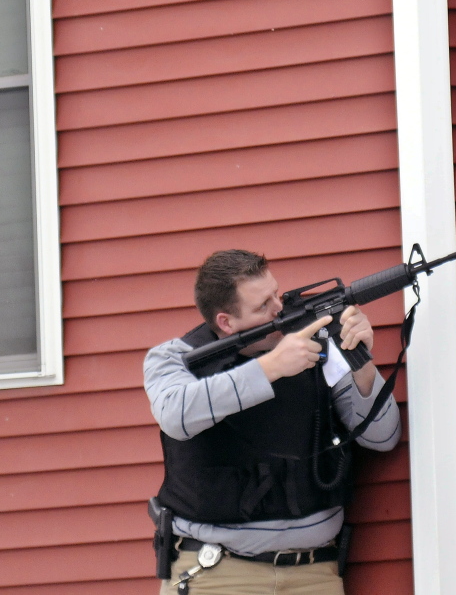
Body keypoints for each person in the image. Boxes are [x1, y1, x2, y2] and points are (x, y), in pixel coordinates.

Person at [143, 249, 402, 594]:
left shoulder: (316, 347)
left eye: (276, 294)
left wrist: (360, 359)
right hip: (217, 574)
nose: (279, 309)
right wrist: (272, 368)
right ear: (225, 322)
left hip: (314, 573)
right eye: (262, 305)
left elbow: (383, 437)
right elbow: (175, 415)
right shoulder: (173, 358)